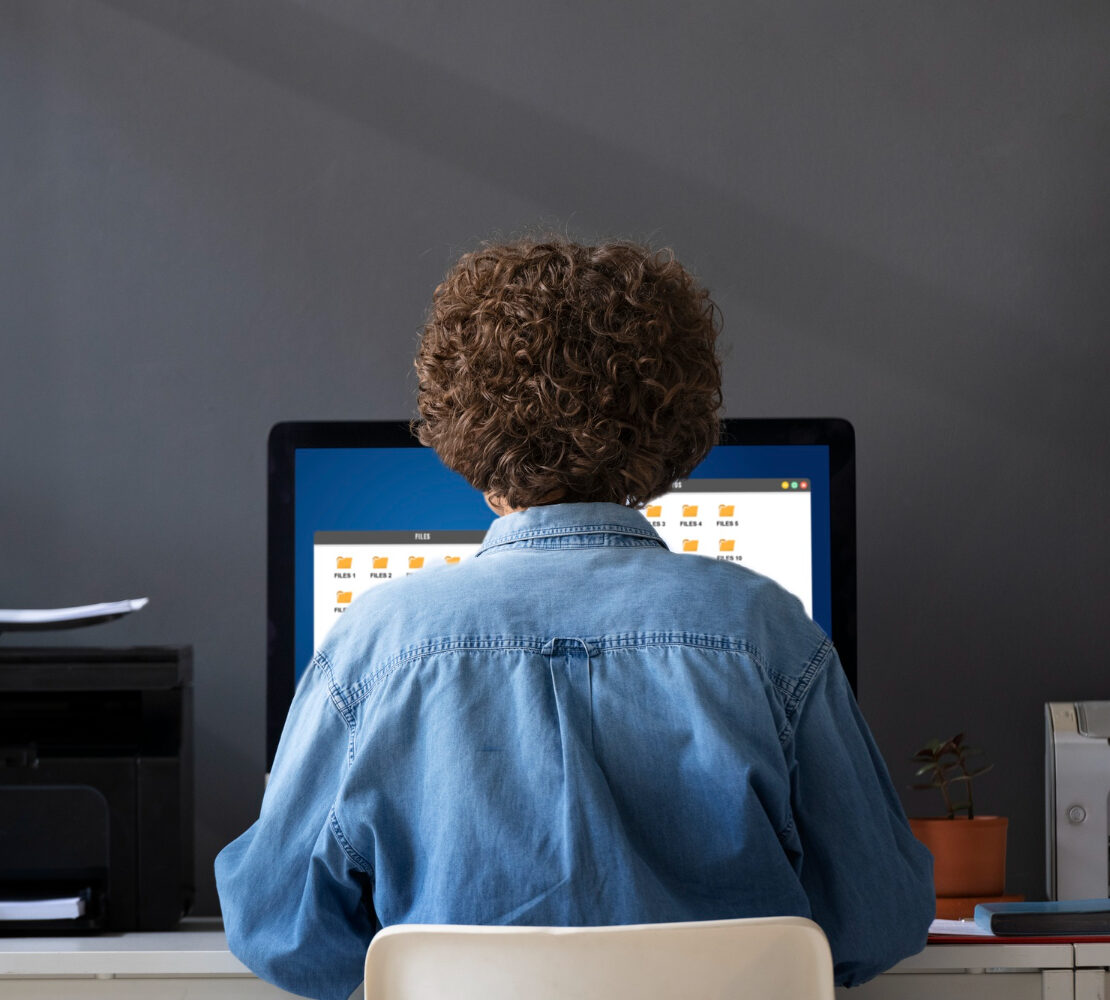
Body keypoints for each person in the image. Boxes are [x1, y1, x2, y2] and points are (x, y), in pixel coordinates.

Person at [216, 238, 934, 1000]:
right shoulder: (766, 631)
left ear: (467, 431)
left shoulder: (376, 644)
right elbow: (880, 917)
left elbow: (279, 931)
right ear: (668, 430)